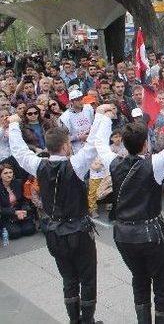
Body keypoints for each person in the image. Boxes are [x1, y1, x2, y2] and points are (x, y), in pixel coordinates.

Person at [8, 107, 107, 324]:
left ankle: (74, 321)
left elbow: (19, 151)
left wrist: (14, 125)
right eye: (69, 144)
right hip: (79, 231)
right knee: (88, 279)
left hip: (54, 231)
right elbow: (93, 145)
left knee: (69, 279)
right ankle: (87, 321)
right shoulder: (76, 164)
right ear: (64, 146)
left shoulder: (38, 165)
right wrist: (100, 115)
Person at [93, 105, 164, 324]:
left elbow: (98, 143)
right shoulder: (156, 163)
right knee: (161, 283)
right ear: (145, 144)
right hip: (151, 233)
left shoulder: (114, 162)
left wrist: (104, 118)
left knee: (139, 279)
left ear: (124, 144)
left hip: (124, 234)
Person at [0, 163, 36, 239]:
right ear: (1, 175)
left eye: (10, 172)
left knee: (29, 230)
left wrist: (24, 210)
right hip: (7, 215)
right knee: (15, 233)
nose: (9, 175)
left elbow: (25, 200)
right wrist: (14, 212)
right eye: (5, 173)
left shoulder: (18, 183)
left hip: (20, 212)